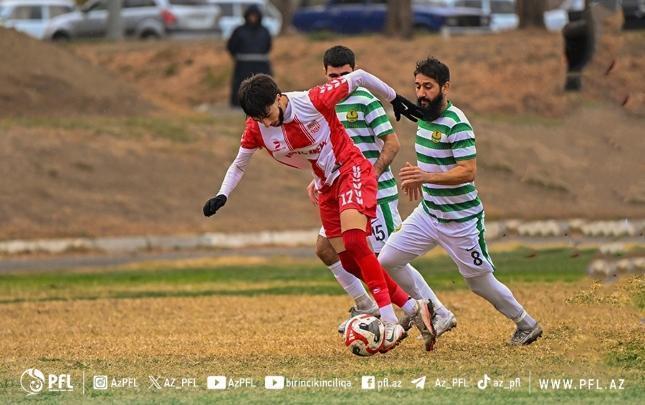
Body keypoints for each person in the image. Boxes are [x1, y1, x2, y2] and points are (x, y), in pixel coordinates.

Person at [203, 69, 435, 353]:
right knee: (348, 262)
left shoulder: (312, 100)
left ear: (278, 98)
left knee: (355, 241)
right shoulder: (256, 127)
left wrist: (394, 98)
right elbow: (239, 164)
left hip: (351, 169)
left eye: (267, 114)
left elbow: (359, 76)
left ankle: (389, 321)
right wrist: (222, 194)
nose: (266, 122)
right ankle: (413, 307)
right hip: (325, 185)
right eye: (258, 118)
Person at [378, 57, 543, 346]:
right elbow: (433, 159)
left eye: (428, 86)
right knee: (388, 259)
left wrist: (425, 176)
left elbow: (468, 171)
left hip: (461, 220)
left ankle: (526, 324)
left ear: (445, 87)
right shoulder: (424, 117)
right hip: (429, 213)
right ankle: (438, 313)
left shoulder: (457, 123)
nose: (421, 93)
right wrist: (420, 179)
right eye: (417, 86)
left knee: (478, 282)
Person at [307, 46, 455, 350]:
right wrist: (318, 179)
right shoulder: (322, 104)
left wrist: (370, 175)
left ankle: (439, 311)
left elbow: (392, 142)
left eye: (344, 75)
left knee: (387, 260)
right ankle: (367, 305)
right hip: (341, 192)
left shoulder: (366, 100)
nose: (339, 81)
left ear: (353, 72)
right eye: (333, 76)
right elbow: (327, 149)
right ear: (325, 74)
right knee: (326, 249)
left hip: (376, 194)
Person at [226, 5, 272, 107]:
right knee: (242, 84)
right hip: (243, 64)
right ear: (247, 16)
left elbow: (268, 46)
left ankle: (262, 104)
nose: (253, 18)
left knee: (262, 85)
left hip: (261, 64)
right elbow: (231, 46)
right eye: (251, 16)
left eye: (255, 16)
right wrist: (238, 57)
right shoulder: (239, 30)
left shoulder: (264, 31)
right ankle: (239, 103)